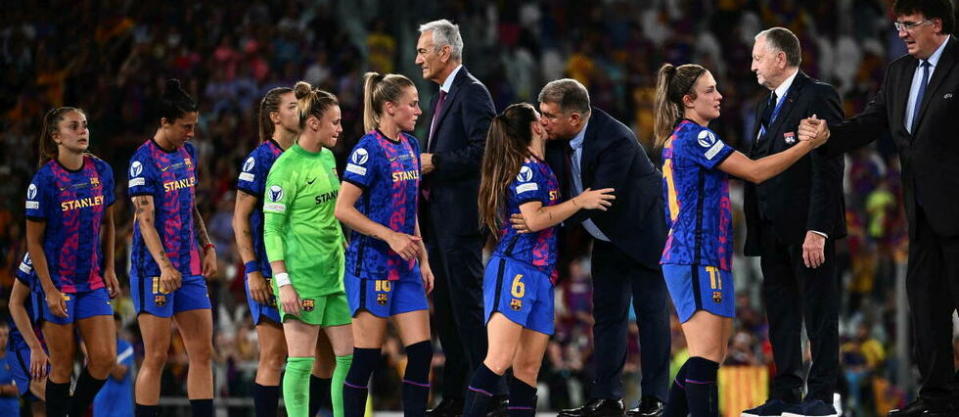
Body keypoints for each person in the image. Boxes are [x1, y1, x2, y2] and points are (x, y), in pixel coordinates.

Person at [798, 1, 959, 416]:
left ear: (936, 24)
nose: (901, 32)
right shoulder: (899, 73)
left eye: (909, 24)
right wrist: (824, 137)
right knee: (927, 309)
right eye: (897, 25)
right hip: (921, 217)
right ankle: (937, 400)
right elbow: (869, 123)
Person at [652, 63, 828, 417]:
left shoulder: (686, 137)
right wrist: (806, 146)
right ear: (688, 100)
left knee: (711, 355)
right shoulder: (694, 136)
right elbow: (755, 171)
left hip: (706, 255)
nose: (719, 96)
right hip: (694, 253)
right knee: (704, 356)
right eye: (709, 91)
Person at [529, 78, 669, 417]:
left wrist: (545, 217)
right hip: (606, 238)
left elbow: (597, 201)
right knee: (606, 316)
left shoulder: (615, 139)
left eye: (549, 115)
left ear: (575, 119)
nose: (542, 121)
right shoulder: (557, 138)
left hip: (642, 234)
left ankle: (655, 401)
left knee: (651, 317)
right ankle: (606, 398)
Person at [464, 102, 614, 417]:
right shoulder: (527, 168)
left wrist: (545, 217)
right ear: (534, 127)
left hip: (542, 274)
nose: (545, 121)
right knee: (499, 359)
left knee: (529, 368)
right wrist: (580, 201)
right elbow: (533, 219)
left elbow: (537, 218)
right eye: (540, 116)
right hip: (516, 268)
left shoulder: (541, 166)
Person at [739, 27, 846, 417]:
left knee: (819, 311)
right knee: (781, 314)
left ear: (780, 58)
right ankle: (785, 394)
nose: (752, 65)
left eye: (757, 57)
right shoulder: (767, 104)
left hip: (806, 230)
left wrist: (818, 229)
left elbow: (829, 164)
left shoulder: (817, 95)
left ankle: (820, 395)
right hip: (771, 230)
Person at [234, 86, 340, 417]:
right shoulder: (262, 159)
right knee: (275, 355)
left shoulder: (316, 153)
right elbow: (240, 217)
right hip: (270, 273)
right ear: (275, 117)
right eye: (293, 107)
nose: (301, 111)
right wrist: (252, 270)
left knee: (326, 358)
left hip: (311, 271)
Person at [335, 72, 434, 417]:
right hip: (370, 266)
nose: (419, 111)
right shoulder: (368, 149)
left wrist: (422, 256)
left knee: (421, 353)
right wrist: (389, 236)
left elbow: (410, 209)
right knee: (366, 358)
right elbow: (342, 209)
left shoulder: (412, 145)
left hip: (406, 265)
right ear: (390, 108)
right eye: (413, 104)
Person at [414, 19, 499, 416]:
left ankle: (490, 395)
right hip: (440, 221)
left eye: (423, 51)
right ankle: (455, 396)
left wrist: (436, 162)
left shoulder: (473, 94)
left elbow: (485, 152)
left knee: (466, 310)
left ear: (444, 52)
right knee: (448, 313)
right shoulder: (442, 98)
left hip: (462, 222)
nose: (418, 59)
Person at [263, 81, 354, 417]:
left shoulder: (329, 158)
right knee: (301, 363)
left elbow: (330, 208)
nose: (341, 129)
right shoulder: (284, 168)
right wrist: (282, 281)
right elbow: (271, 227)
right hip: (301, 277)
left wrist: (340, 238)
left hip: (335, 274)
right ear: (314, 123)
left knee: (348, 359)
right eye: (335, 122)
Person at [128, 79, 217, 417]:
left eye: (193, 125)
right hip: (154, 270)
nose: (191, 133)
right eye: (185, 126)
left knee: (202, 353)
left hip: (189, 267)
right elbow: (145, 220)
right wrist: (165, 266)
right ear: (164, 122)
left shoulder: (188, 154)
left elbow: (190, 205)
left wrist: (206, 245)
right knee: (156, 356)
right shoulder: (143, 161)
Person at [26, 106, 119, 417]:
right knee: (62, 366)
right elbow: (34, 243)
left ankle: (76, 412)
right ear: (56, 137)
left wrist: (108, 269)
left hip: (92, 282)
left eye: (85, 125)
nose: (83, 131)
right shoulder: (44, 181)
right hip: (59, 283)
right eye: (74, 126)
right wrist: (49, 289)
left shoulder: (102, 171)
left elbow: (109, 224)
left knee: (105, 358)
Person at [7, 253, 48, 417]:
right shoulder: (34, 255)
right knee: (42, 392)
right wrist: (34, 346)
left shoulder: (75, 248)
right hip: (26, 339)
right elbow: (14, 303)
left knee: (40, 405)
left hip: (52, 334)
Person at [93, 314, 135, 417]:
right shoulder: (95, 346)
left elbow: (119, 374)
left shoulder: (126, 347)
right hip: (101, 406)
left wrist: (100, 355)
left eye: (117, 325)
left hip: (122, 408)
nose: (113, 329)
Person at [0, 323, 19, 416]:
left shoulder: (15, 361)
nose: (3, 339)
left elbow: (18, 388)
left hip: (10, 413)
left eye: (6, 335)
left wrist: (1, 389)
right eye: (0, 335)